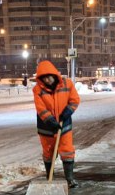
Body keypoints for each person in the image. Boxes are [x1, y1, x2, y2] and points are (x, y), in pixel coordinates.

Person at [33, 60, 81, 188]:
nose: (48, 80)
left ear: (54, 74)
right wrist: (50, 120)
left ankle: (69, 178)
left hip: (64, 124)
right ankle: (50, 176)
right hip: (46, 127)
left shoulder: (67, 84)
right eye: (44, 79)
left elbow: (75, 100)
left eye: (49, 77)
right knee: (48, 152)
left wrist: (68, 111)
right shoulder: (37, 89)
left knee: (67, 150)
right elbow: (40, 108)